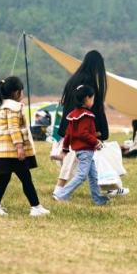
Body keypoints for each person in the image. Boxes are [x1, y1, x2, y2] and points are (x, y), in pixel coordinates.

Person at [53, 50, 128, 197]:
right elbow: (96, 109)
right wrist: (99, 131)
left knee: (86, 161)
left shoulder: (73, 80)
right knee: (77, 163)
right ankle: (60, 191)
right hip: (81, 129)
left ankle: (110, 186)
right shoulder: (89, 82)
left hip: (70, 126)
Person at [0, 76, 50, 217]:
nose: (23, 94)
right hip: (12, 152)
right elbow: (13, 128)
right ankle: (35, 207)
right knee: (26, 178)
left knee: (3, 179)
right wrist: (19, 147)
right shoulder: (14, 107)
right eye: (22, 91)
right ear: (16, 93)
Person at [53, 85, 109, 205]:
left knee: (93, 175)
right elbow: (83, 133)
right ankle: (61, 194)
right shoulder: (86, 116)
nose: (93, 101)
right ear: (87, 99)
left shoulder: (74, 114)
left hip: (81, 151)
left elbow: (68, 134)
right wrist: (96, 141)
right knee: (82, 176)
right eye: (92, 99)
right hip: (86, 151)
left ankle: (98, 199)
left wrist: (65, 148)